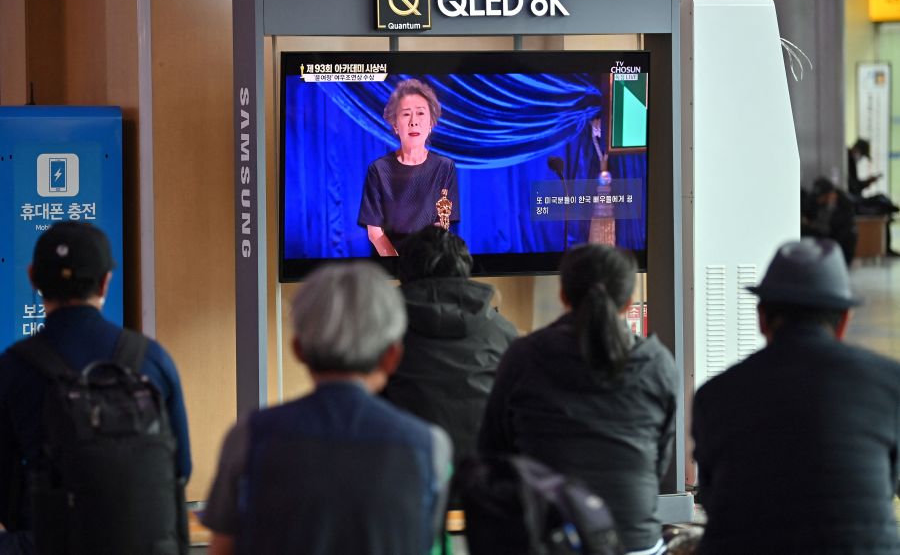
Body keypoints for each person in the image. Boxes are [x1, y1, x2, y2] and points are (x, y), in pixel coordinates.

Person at [203, 262, 452, 555]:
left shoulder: (247, 437)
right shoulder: (431, 448)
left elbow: (222, 549)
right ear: (392, 356)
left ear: (298, 350)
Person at [692, 238, 900, 553]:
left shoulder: (715, 395)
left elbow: (709, 498)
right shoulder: (889, 383)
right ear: (843, 322)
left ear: (761, 318)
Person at [0, 221, 192, 554]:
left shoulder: (15, 367)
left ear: (33, 278)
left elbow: (4, 488)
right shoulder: (151, 359)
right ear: (106, 282)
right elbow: (181, 468)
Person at [479, 244, 677, 555]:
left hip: (550, 539)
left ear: (564, 296)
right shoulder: (658, 363)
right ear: (628, 303)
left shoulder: (523, 356)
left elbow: (494, 450)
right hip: (635, 541)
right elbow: (659, 462)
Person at [383, 227, 518, 469]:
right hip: (483, 476)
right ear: (466, 268)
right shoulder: (503, 331)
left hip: (410, 476)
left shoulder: (382, 332)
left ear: (403, 272)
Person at [358, 78, 459, 256]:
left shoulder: (444, 167)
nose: (413, 122)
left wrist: (423, 266)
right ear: (395, 125)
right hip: (388, 264)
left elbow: (442, 225)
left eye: (420, 113)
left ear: (431, 123)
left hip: (429, 261)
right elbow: (375, 233)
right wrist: (397, 265)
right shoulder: (378, 169)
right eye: (406, 114)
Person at [800, 177, 857, 265]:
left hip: (835, 238)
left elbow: (843, 229)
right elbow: (807, 213)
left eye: (821, 197)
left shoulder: (845, 205)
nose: (819, 200)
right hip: (819, 234)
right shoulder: (814, 201)